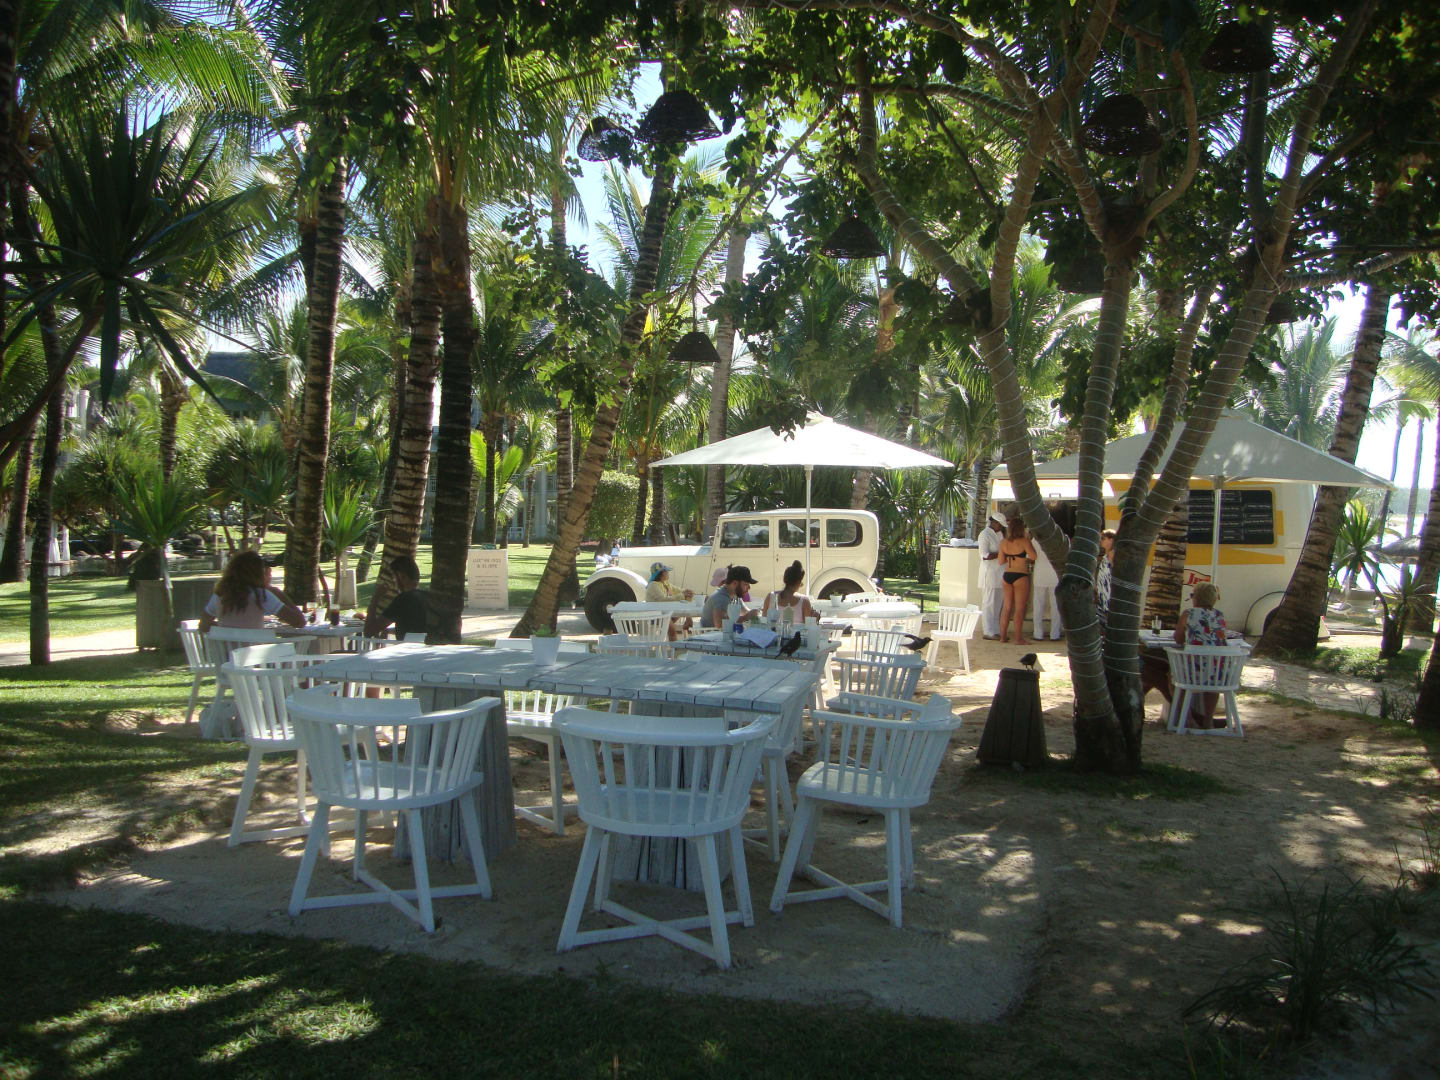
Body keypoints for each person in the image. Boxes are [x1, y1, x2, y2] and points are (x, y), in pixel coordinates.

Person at [198, 550, 305, 633]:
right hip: (254, 653)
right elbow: (299, 622)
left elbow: (203, 626)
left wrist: (227, 629)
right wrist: (277, 592)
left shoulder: (221, 594)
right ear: (257, 573)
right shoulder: (261, 595)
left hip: (225, 653)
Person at [1173, 582, 1228, 728]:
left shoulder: (1188, 614)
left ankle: (1188, 718)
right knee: (1211, 677)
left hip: (1194, 672)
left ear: (1196, 598)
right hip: (1219, 674)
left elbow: (1178, 639)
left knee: (1171, 676)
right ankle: (1208, 720)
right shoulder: (1219, 615)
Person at [363, 555, 430, 640]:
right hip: (424, 645)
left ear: (402, 576)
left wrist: (375, 597)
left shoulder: (403, 599)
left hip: (405, 647)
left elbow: (368, 631)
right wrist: (388, 630)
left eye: (394, 579)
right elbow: (414, 629)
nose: (394, 583)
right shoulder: (428, 596)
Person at [997, 517, 1036, 645]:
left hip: (1007, 575)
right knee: (1019, 608)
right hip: (1021, 575)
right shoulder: (1024, 542)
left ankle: (1003, 636)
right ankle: (1018, 638)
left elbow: (1000, 561)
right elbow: (1034, 556)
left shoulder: (1003, 542)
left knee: (1007, 607)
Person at [702, 565, 761, 629]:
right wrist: (746, 617)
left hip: (721, 633)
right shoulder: (721, 597)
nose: (749, 587)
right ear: (735, 583)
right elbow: (719, 624)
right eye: (746, 584)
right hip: (710, 633)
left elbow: (746, 612)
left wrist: (755, 613)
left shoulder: (734, 594)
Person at [646, 561, 694, 640]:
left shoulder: (665, 583)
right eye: (666, 571)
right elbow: (663, 600)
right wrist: (682, 595)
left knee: (682, 607)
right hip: (656, 615)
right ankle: (674, 645)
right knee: (672, 630)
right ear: (661, 574)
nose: (668, 573)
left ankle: (688, 620)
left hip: (666, 613)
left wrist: (686, 592)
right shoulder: (653, 585)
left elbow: (677, 590)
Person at [977, 512, 1005, 639]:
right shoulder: (984, 534)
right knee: (989, 603)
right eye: (1000, 524)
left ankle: (996, 630)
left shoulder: (1000, 534)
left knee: (998, 603)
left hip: (1001, 572)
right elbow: (985, 555)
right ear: (994, 522)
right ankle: (988, 631)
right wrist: (1002, 554)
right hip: (989, 573)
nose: (1001, 527)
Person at [1031, 544, 1063, 641]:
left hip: (1039, 575)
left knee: (1038, 605)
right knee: (1055, 605)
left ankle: (1037, 633)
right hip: (1055, 575)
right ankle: (1055, 634)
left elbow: (1030, 557)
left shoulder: (1034, 540)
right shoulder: (1059, 538)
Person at [1095, 529, 1117, 630]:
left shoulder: (1113, 555)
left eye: (1103, 538)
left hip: (1109, 595)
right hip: (1102, 594)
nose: (1101, 541)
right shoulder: (1105, 556)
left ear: (1111, 540)